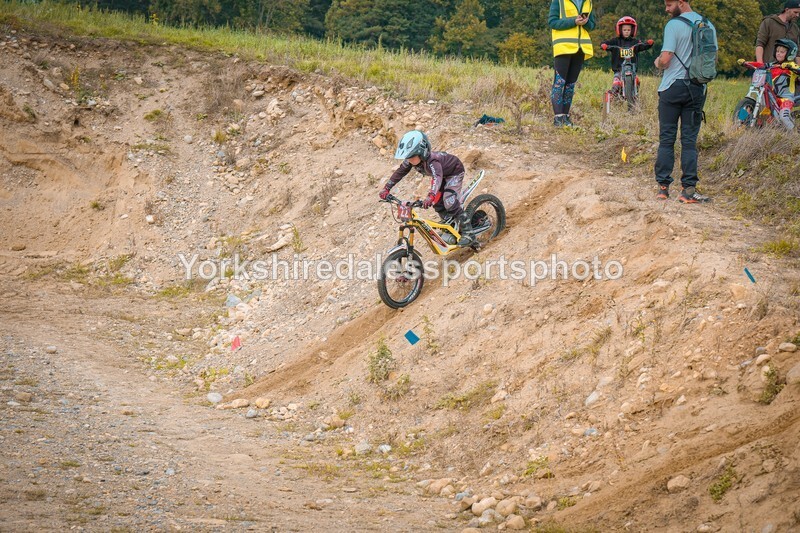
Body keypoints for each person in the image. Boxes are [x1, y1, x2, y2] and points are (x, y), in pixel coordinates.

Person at [653, 0, 717, 204]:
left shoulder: (673, 25)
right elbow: (712, 60)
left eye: (669, 4)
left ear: (682, 2)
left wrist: (657, 62)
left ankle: (663, 189)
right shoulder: (708, 25)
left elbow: (666, 59)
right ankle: (688, 191)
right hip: (696, 89)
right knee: (689, 141)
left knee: (667, 139)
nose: (666, 9)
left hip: (672, 88)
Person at [379, 130, 474, 246]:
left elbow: (437, 177)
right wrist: (386, 188)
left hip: (453, 173)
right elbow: (400, 172)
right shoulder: (412, 161)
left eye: (412, 157)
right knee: (438, 203)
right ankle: (452, 225)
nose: (409, 160)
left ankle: (469, 234)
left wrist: (431, 195)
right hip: (443, 176)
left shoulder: (433, 161)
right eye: (408, 157)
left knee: (449, 201)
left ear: (422, 152)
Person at [548, 0, 596, 127]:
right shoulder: (558, 1)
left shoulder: (588, 2)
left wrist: (586, 23)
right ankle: (558, 118)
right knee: (559, 82)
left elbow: (592, 26)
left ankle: (566, 118)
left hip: (580, 48)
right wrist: (573, 21)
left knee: (570, 85)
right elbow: (552, 22)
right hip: (563, 46)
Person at [600, 17, 654, 96]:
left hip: (632, 69)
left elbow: (642, 45)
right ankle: (613, 96)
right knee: (616, 82)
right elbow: (605, 43)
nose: (626, 32)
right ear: (620, 30)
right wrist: (604, 45)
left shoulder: (635, 42)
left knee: (637, 80)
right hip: (619, 69)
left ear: (632, 30)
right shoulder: (615, 41)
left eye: (628, 30)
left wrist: (648, 44)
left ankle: (635, 96)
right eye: (624, 30)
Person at [755, 0, 800, 64]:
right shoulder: (769, 22)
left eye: (799, 13)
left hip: (788, 71)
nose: (797, 15)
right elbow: (760, 44)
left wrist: (798, 69)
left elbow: (797, 52)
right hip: (769, 68)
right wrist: (760, 64)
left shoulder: (795, 28)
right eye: (795, 12)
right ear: (786, 10)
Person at [769, 39, 800, 129]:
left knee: (784, 117)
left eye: (782, 52)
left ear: (790, 53)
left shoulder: (791, 65)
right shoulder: (773, 65)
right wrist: (746, 63)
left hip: (787, 99)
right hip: (775, 99)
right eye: (777, 51)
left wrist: (790, 67)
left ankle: (794, 136)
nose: (778, 53)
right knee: (775, 120)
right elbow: (761, 65)